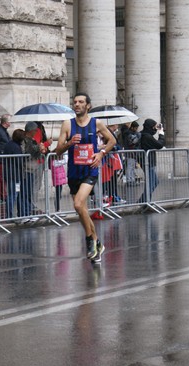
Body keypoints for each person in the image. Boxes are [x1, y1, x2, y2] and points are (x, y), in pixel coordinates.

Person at [55, 92, 116, 262]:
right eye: (75, 102)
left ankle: (90, 240)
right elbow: (58, 150)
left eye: (81, 102)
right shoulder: (67, 124)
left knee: (77, 203)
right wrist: (69, 143)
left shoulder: (96, 123)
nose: (77, 104)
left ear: (88, 105)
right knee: (81, 210)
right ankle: (97, 242)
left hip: (90, 170)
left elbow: (112, 140)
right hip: (74, 171)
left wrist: (101, 154)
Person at [137, 118, 165, 203]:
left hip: (146, 161)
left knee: (152, 182)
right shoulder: (147, 136)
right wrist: (161, 134)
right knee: (152, 182)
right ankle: (144, 201)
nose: (155, 129)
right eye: (154, 127)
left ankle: (144, 200)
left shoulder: (143, 134)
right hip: (148, 162)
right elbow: (159, 145)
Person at [2, 129, 29, 220]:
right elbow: (19, 161)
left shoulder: (9, 144)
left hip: (9, 173)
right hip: (15, 174)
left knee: (11, 194)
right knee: (13, 195)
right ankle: (10, 215)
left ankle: (10, 214)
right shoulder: (16, 147)